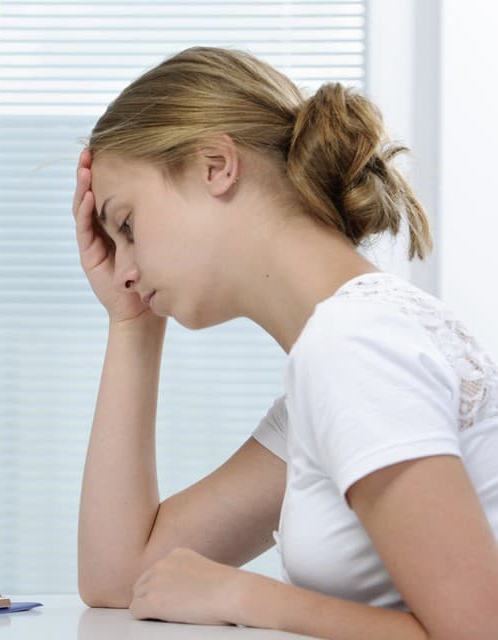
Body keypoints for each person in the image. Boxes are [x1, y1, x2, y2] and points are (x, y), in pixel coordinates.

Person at [74, 47, 498, 639]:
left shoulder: (355, 348)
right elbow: (121, 577)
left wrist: (244, 595)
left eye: (126, 226)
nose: (122, 268)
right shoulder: (342, 355)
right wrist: (131, 323)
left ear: (216, 164)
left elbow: (475, 633)